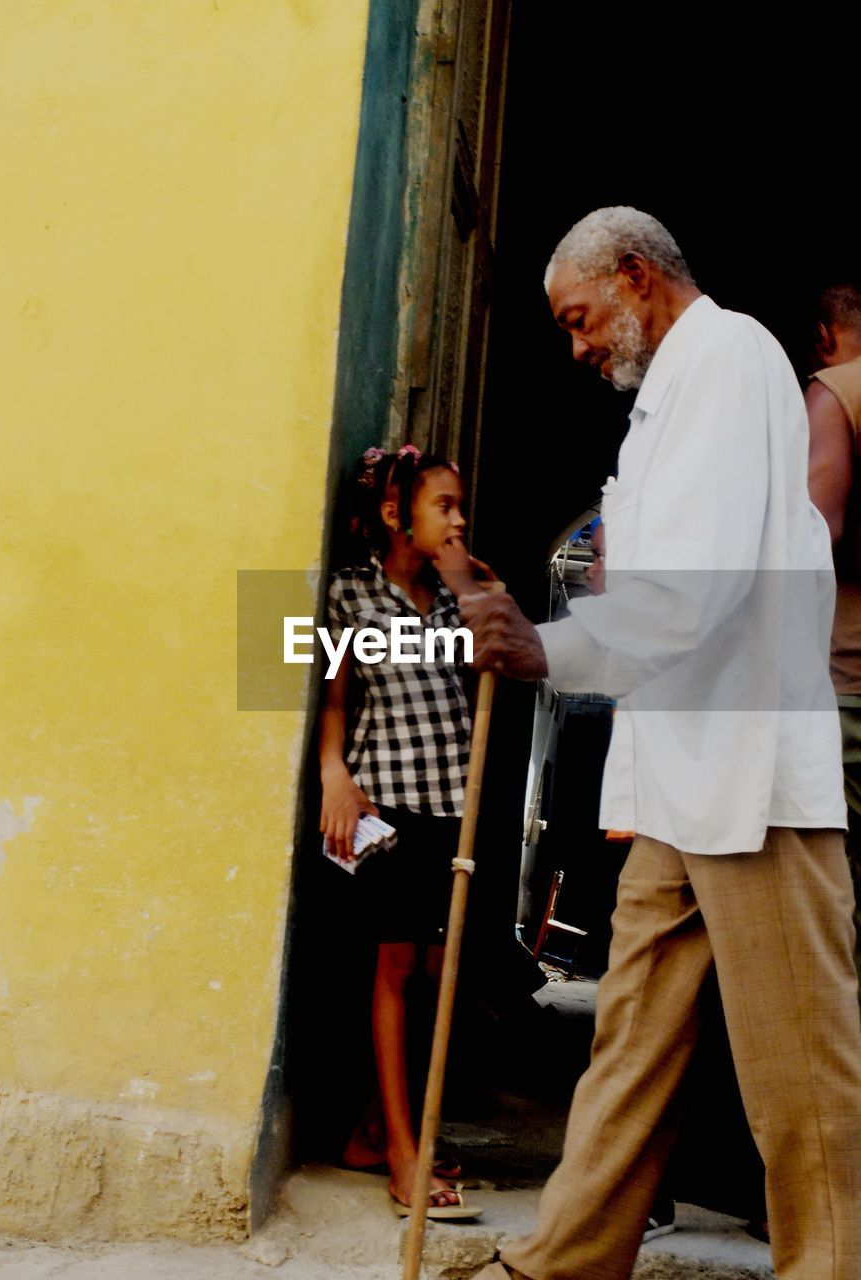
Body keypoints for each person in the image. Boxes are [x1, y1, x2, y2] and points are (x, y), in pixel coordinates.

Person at [461, 208, 861, 1280]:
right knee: (630, 1042)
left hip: (747, 775)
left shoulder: (728, 359)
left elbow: (699, 585)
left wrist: (548, 651)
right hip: (685, 772)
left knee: (800, 1068)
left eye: (580, 317)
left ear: (635, 276)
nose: (577, 344)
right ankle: (568, 1258)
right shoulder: (665, 403)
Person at [319, 444, 490, 1220]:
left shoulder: (461, 597)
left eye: (461, 506)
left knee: (431, 970)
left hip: (452, 802)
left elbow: (509, 655)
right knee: (392, 967)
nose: (458, 519)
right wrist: (333, 774)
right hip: (384, 802)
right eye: (444, 506)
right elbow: (335, 696)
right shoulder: (353, 593)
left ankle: (373, 1132)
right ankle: (403, 1154)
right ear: (397, 516)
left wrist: (468, 581)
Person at [806, 283, 861, 973]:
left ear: (824, 335)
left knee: (836, 903)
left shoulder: (835, 392)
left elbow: (815, 532)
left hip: (845, 683)